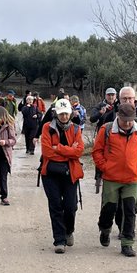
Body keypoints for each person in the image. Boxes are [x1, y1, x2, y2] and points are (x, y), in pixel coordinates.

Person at [93, 103, 137, 257]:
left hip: (132, 179)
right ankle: (105, 230)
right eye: (124, 120)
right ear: (118, 116)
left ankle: (127, 243)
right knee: (109, 208)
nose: (127, 123)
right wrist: (105, 167)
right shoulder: (106, 129)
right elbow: (97, 151)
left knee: (129, 210)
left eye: (130, 120)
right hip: (111, 178)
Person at [97, 86, 137, 229]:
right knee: (113, 203)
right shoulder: (110, 116)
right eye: (124, 98)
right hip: (112, 169)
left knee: (132, 200)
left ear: (134, 99)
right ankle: (117, 223)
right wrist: (103, 167)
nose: (127, 101)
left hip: (134, 168)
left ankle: (126, 227)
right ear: (119, 99)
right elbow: (99, 145)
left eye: (130, 98)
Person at [40, 99, 85, 253]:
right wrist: (69, 151)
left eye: (66, 113)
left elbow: (79, 151)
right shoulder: (47, 128)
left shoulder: (76, 129)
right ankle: (59, 240)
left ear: (70, 114)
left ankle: (69, 230)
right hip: (50, 173)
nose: (64, 116)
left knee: (70, 206)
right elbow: (47, 152)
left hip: (70, 172)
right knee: (56, 206)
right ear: (56, 114)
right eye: (61, 114)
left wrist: (58, 148)